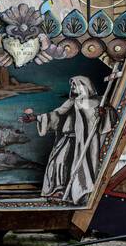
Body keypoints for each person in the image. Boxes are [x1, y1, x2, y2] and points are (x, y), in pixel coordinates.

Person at [21, 76, 109, 205]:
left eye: (75, 84)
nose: (72, 87)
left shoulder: (97, 102)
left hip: (83, 142)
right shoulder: (71, 102)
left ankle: (76, 192)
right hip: (68, 138)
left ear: (84, 86)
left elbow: (106, 120)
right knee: (58, 162)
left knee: (77, 166)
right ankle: (59, 189)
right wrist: (37, 118)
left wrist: (104, 113)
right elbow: (56, 115)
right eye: (71, 85)